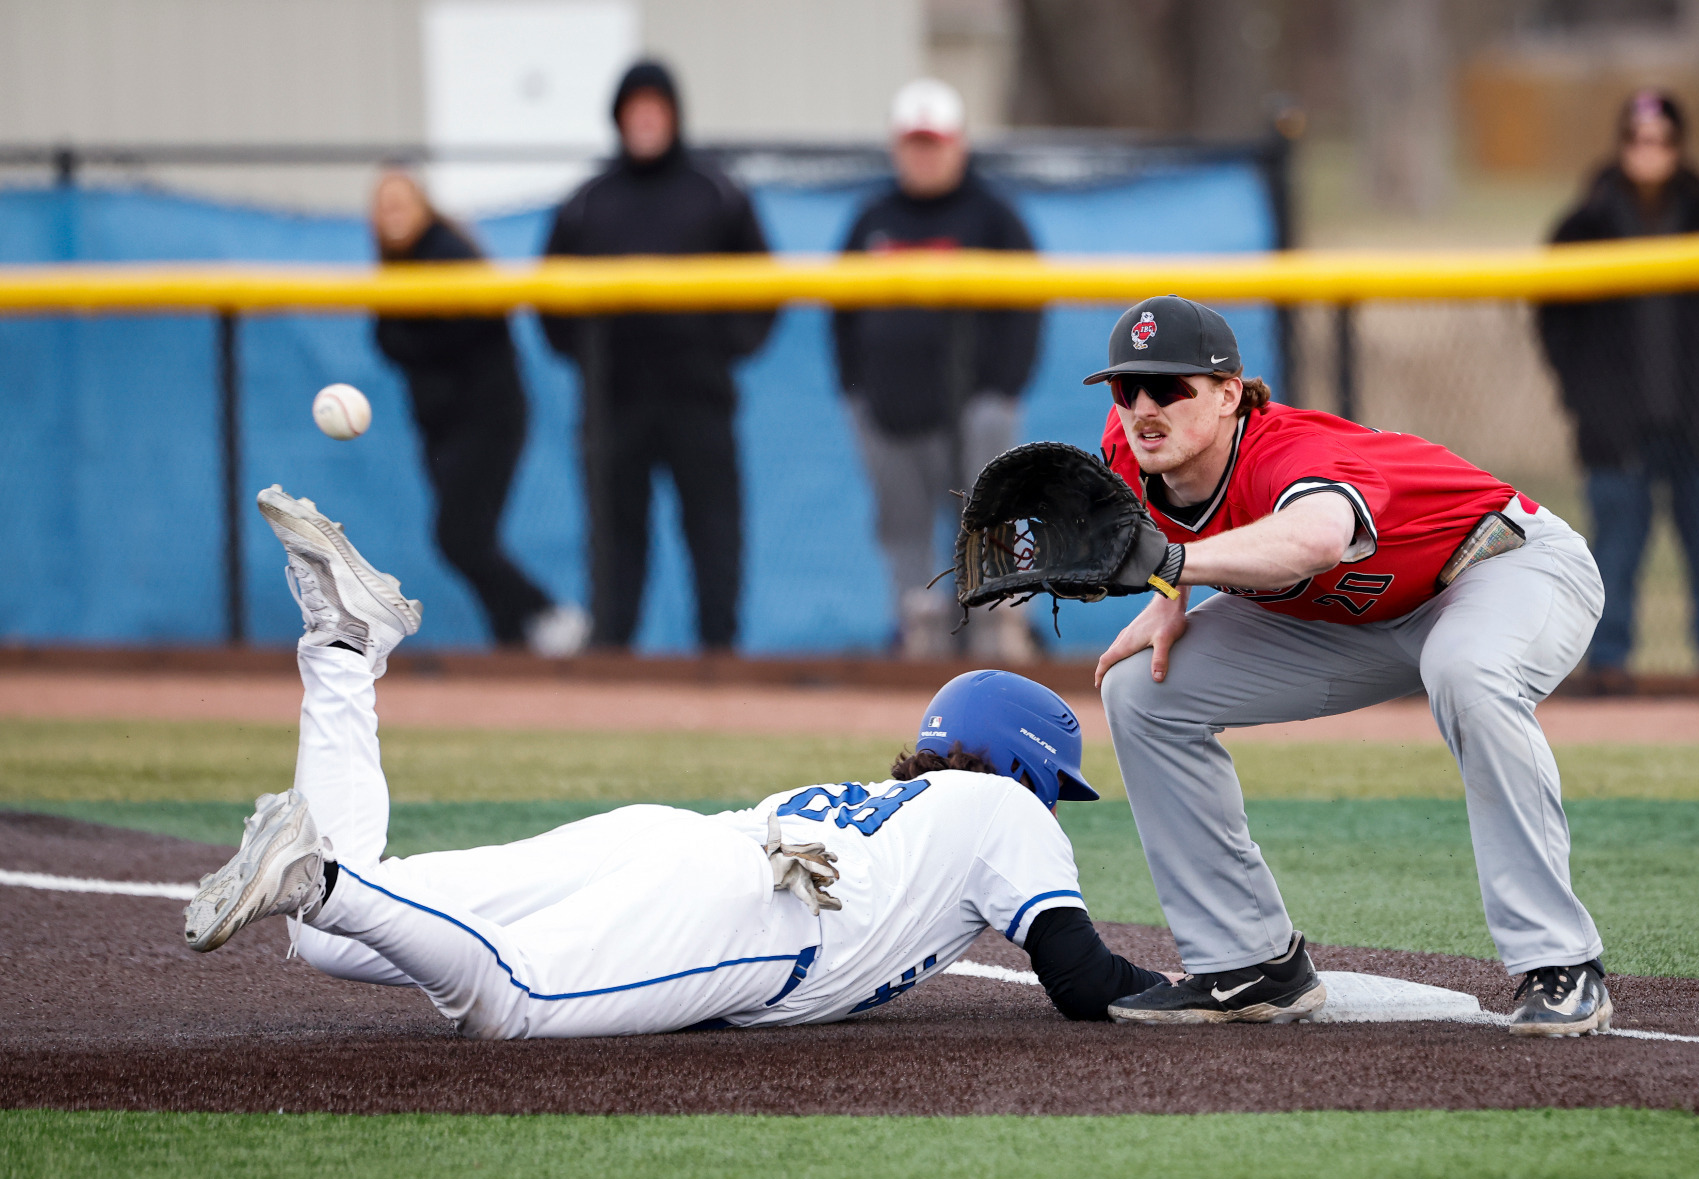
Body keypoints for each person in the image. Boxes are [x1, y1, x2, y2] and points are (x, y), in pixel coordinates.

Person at [182, 485, 1164, 1036]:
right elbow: (1079, 980)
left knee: (335, 929)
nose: (1055, 807)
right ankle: (310, 872)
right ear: (1022, 767)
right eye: (1054, 788)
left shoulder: (899, 804)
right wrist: (1202, 992)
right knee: (509, 1003)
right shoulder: (1007, 814)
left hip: (680, 843)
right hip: (764, 911)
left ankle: (343, 651)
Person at [1083, 296, 1613, 1036]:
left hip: (1499, 569)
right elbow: (1169, 522)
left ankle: (1561, 961)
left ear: (1230, 393)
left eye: (1170, 387)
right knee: (1143, 687)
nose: (1143, 406)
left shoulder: (1294, 455)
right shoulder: (1129, 447)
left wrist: (1174, 565)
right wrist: (1173, 591)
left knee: (1466, 670)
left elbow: (1318, 538)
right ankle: (1250, 963)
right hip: (1352, 617)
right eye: (1125, 388)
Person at [541, 60, 775, 653]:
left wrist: (725, 346)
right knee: (615, 537)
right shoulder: (588, 202)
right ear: (618, 118)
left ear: (674, 115)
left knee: (713, 531)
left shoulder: (715, 191)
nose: (645, 119)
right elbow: (550, 295)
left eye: (656, 107)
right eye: (634, 108)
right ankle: (613, 657)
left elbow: (763, 282)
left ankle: (718, 657)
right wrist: (590, 363)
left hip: (697, 396)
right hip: (615, 399)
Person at [1535, 91, 1699, 683]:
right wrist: (1585, 401)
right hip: (1618, 434)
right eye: (1638, 139)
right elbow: (1553, 324)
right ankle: (1608, 678)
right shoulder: (1583, 227)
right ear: (1622, 145)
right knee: (1610, 565)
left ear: (1679, 147)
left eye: (1661, 139)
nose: (1649, 151)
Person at [834, 79, 1042, 660]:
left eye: (935, 143)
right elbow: (840, 312)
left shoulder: (993, 217)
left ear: (960, 146)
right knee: (902, 531)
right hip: (890, 408)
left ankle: (998, 641)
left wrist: (1001, 390)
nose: (924, 156)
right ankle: (917, 645)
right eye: (914, 144)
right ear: (897, 148)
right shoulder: (872, 219)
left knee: (990, 521)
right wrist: (855, 391)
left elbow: (1028, 307)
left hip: (973, 406)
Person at [370, 169, 588, 657]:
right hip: (441, 428)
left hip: (488, 418)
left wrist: (412, 339)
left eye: (401, 202)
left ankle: (549, 613)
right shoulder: (392, 270)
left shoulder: (448, 253)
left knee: (460, 537)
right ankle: (513, 643)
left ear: (424, 206)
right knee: (469, 540)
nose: (393, 213)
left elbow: (449, 336)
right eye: (384, 206)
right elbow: (388, 339)